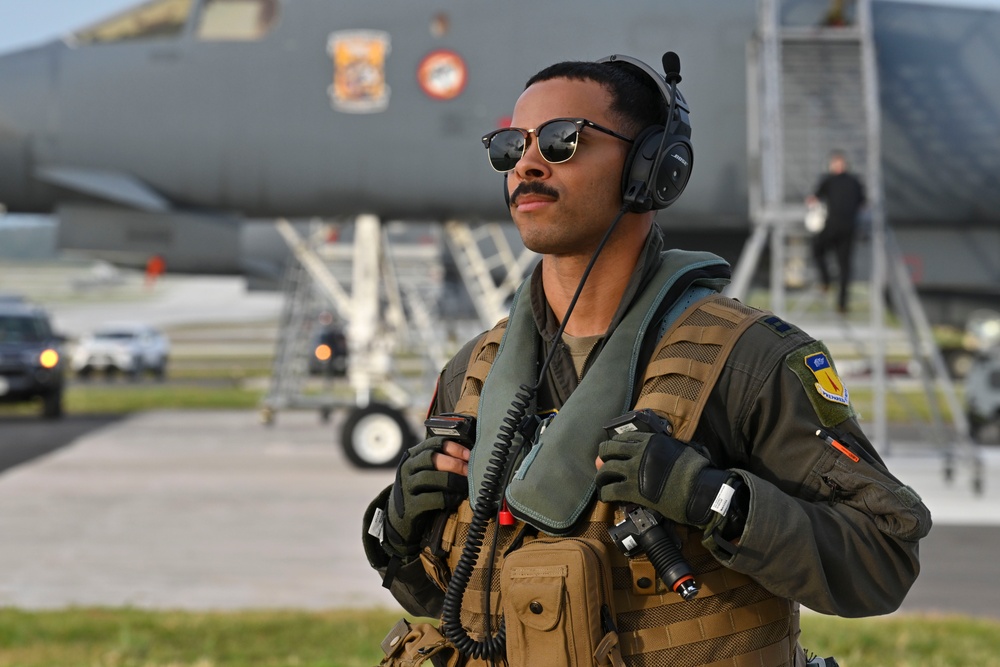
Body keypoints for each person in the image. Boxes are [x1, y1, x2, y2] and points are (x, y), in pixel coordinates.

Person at [363, 54, 930, 667]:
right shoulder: (472, 374)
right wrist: (397, 530)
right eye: (509, 146)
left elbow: (884, 555)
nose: (525, 164)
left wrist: (719, 502)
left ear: (652, 169)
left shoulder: (746, 362)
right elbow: (444, 604)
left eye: (561, 141)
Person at [806, 151, 866, 314]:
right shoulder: (855, 182)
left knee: (818, 249)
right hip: (848, 227)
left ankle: (826, 282)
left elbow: (814, 198)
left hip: (834, 226)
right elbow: (863, 203)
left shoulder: (830, 180)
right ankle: (842, 303)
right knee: (844, 266)